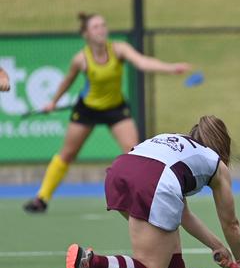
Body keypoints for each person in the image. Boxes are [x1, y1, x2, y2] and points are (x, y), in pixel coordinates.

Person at [61, 115, 240, 268]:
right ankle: (94, 263)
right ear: (224, 145)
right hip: (153, 182)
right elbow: (231, 223)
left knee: (171, 243)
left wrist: (217, 246)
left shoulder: (175, 144)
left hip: (119, 172)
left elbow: (180, 215)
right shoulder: (216, 164)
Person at [24, 12, 191, 213]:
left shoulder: (119, 49)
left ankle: (141, 198)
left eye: (103, 25)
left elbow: (142, 62)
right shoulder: (81, 59)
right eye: (95, 27)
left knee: (135, 152)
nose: (101, 29)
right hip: (87, 109)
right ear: (86, 33)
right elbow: (67, 81)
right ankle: (42, 198)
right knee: (67, 154)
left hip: (115, 109)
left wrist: (171, 68)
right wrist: (53, 102)